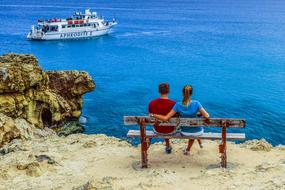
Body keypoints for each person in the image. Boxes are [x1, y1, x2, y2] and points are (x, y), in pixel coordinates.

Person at [150, 85, 210, 155]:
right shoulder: (197, 103)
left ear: (182, 93)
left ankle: (187, 148)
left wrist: (153, 115)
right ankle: (190, 148)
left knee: (188, 129)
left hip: (185, 132)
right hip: (198, 132)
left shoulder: (178, 105)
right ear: (191, 94)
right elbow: (207, 116)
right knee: (194, 129)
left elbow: (166, 118)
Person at [148, 83, 176, 154]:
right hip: (170, 130)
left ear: (159, 91)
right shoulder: (174, 104)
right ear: (169, 91)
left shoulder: (152, 103)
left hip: (157, 129)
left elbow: (150, 117)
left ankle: (147, 146)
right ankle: (168, 146)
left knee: (160, 125)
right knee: (167, 125)